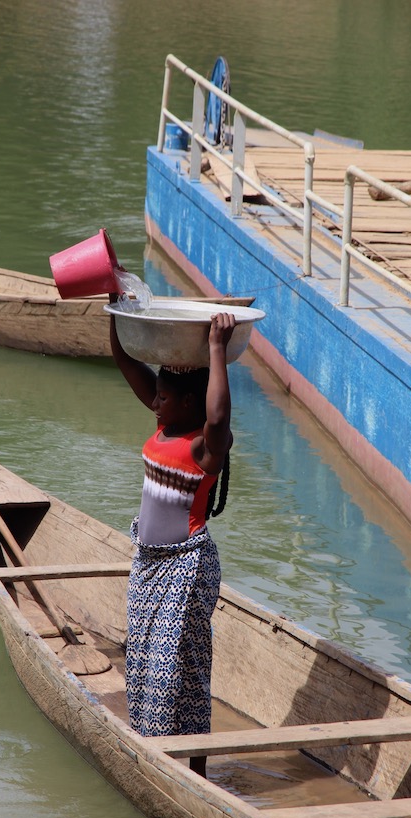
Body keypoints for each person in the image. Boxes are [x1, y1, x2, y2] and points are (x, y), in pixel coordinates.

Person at [109, 300, 236, 778]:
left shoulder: (205, 445)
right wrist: (114, 311)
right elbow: (125, 359)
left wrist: (216, 347)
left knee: (179, 672)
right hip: (148, 560)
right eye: (157, 396)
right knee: (142, 662)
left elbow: (219, 418)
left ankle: (188, 769)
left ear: (189, 402)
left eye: (164, 396)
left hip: (186, 566)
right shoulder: (166, 423)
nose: (155, 402)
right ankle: (154, 752)